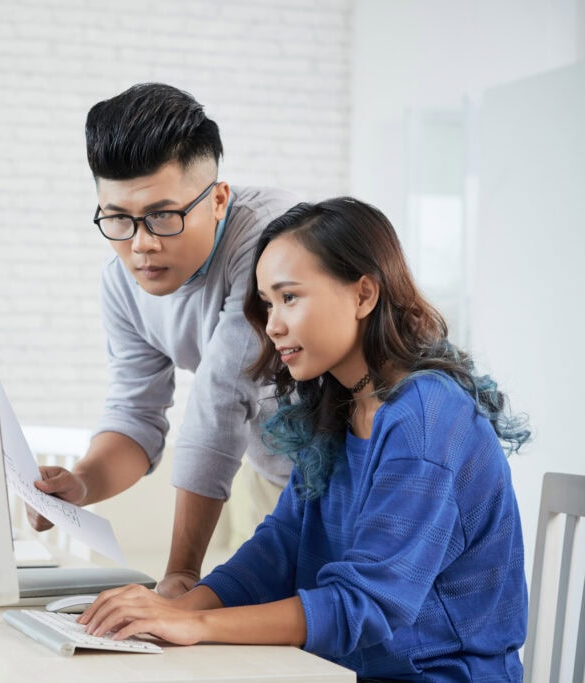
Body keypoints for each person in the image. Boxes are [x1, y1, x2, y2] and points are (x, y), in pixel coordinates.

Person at [78, 197, 530, 681]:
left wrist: (196, 623)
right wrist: (179, 609)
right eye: (268, 303)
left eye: (289, 297)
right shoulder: (338, 404)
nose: (272, 325)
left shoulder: (425, 416)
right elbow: (281, 546)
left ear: (363, 295)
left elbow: (365, 603)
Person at [27, 83, 298, 597]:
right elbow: (135, 413)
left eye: (163, 216)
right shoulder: (122, 280)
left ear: (218, 199)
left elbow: (222, 397)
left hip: (363, 475)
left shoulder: (272, 239)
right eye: (117, 219)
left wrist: (179, 575)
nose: (141, 244)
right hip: (279, 483)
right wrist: (82, 483)